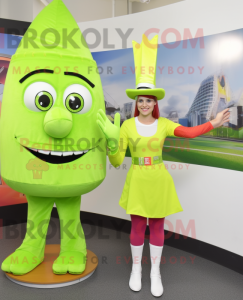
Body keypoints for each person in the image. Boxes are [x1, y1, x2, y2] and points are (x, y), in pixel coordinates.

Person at [96, 34, 230, 297]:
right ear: (136, 103)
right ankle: (136, 270)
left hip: (158, 179)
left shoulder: (165, 124)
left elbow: (190, 134)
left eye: (149, 100)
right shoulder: (125, 125)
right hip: (137, 178)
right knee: (137, 226)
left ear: (155, 103)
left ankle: (154, 272)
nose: (144, 104)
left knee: (157, 226)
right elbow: (114, 160)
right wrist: (111, 144)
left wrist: (212, 124)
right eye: (140, 100)